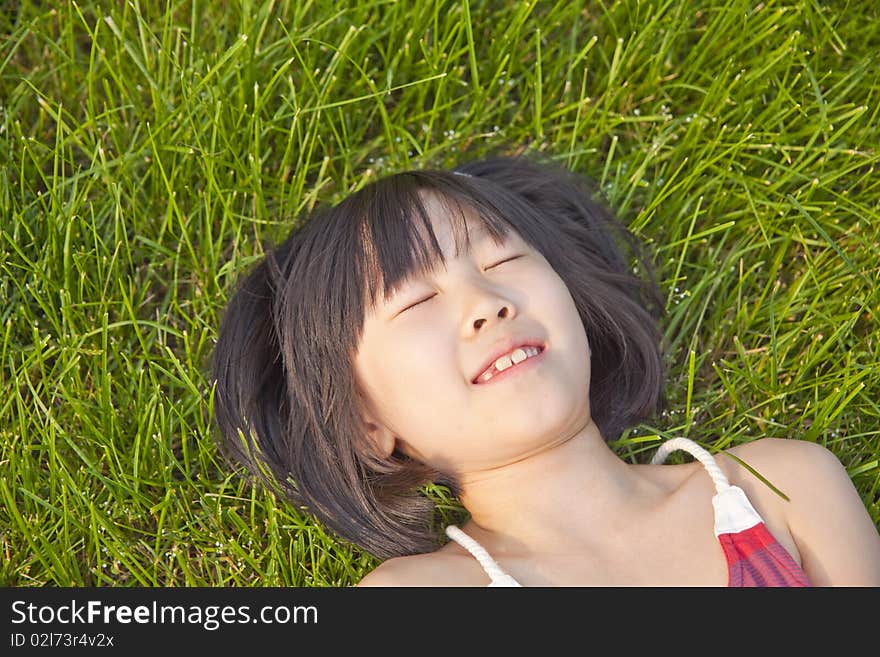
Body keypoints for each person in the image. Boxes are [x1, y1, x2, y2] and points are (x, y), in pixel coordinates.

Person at [210, 153, 880, 586]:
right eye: (416, 300)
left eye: (503, 261)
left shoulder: (781, 487)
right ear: (367, 422)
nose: (486, 303)